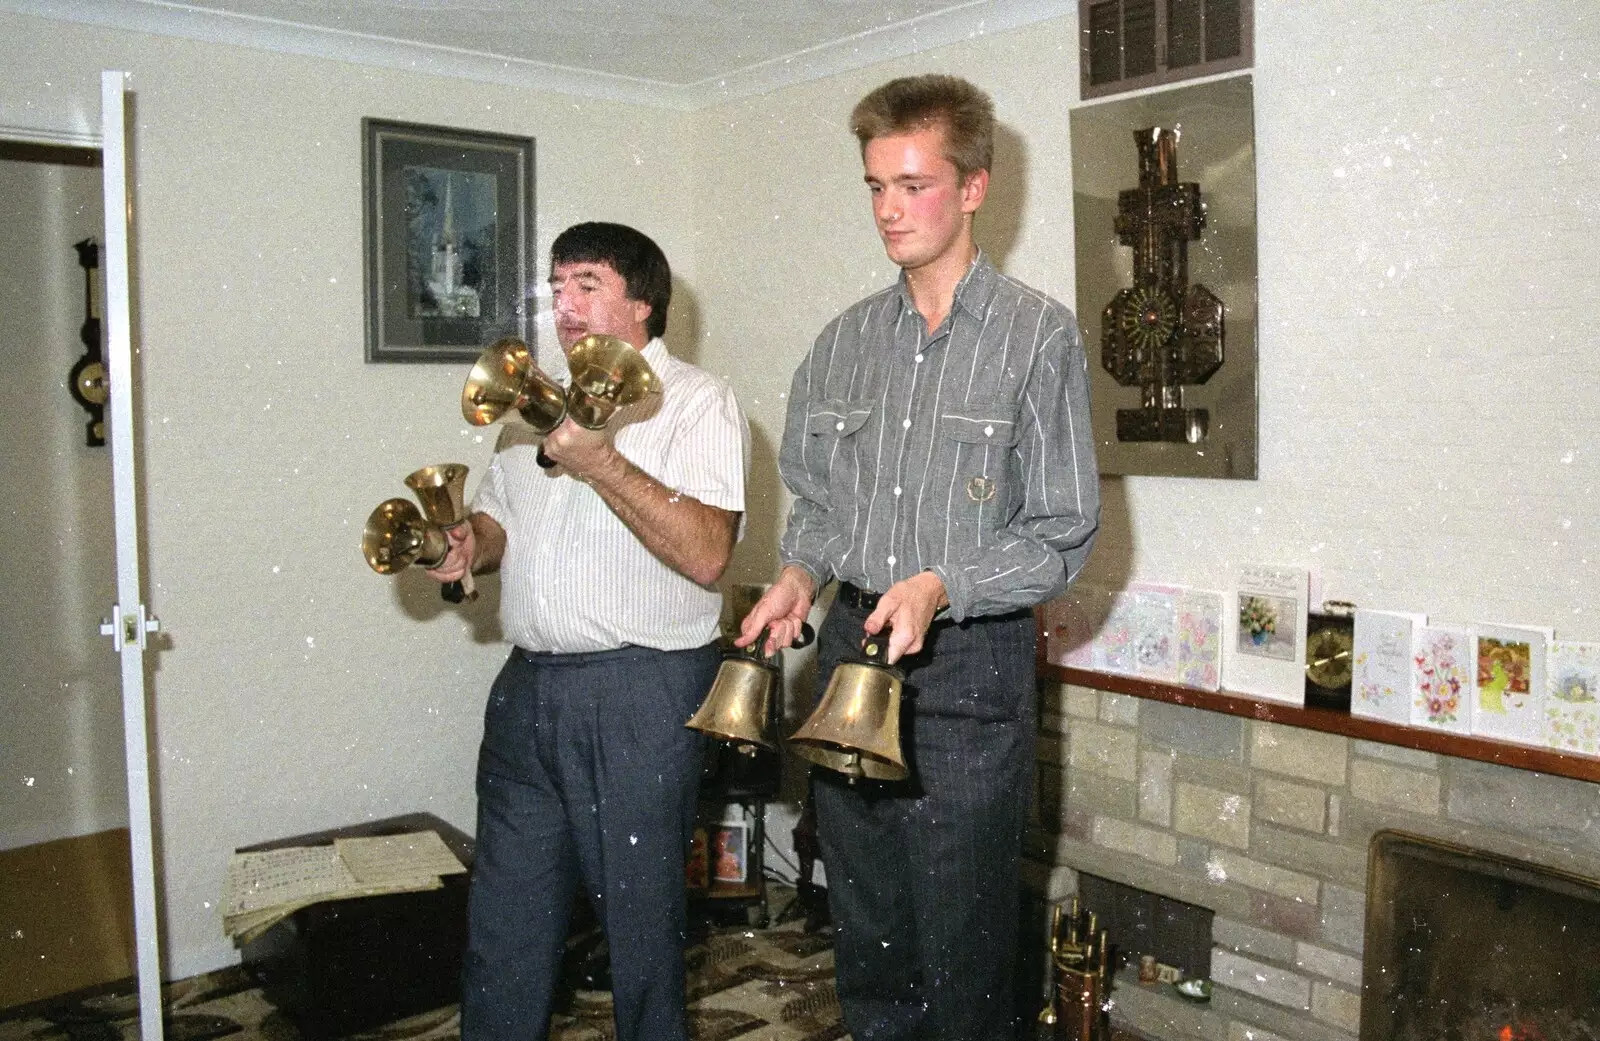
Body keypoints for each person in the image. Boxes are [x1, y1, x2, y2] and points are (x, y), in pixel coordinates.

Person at [736, 75, 1100, 1039]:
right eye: (874, 187)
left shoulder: (1038, 337)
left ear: (974, 186)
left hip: (965, 667)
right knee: (871, 940)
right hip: (852, 648)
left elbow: (1063, 530)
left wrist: (947, 585)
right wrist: (798, 576)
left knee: (966, 950)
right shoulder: (843, 342)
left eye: (913, 185)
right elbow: (817, 501)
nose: (889, 210)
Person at [428, 222, 749, 1041]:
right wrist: (470, 542)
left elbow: (709, 553)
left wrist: (600, 459)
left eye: (586, 284)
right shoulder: (528, 410)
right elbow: (502, 526)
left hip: (643, 690)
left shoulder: (698, 402)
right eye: (556, 285)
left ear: (642, 301)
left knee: (642, 935)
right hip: (530, 686)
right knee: (503, 922)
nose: (562, 305)